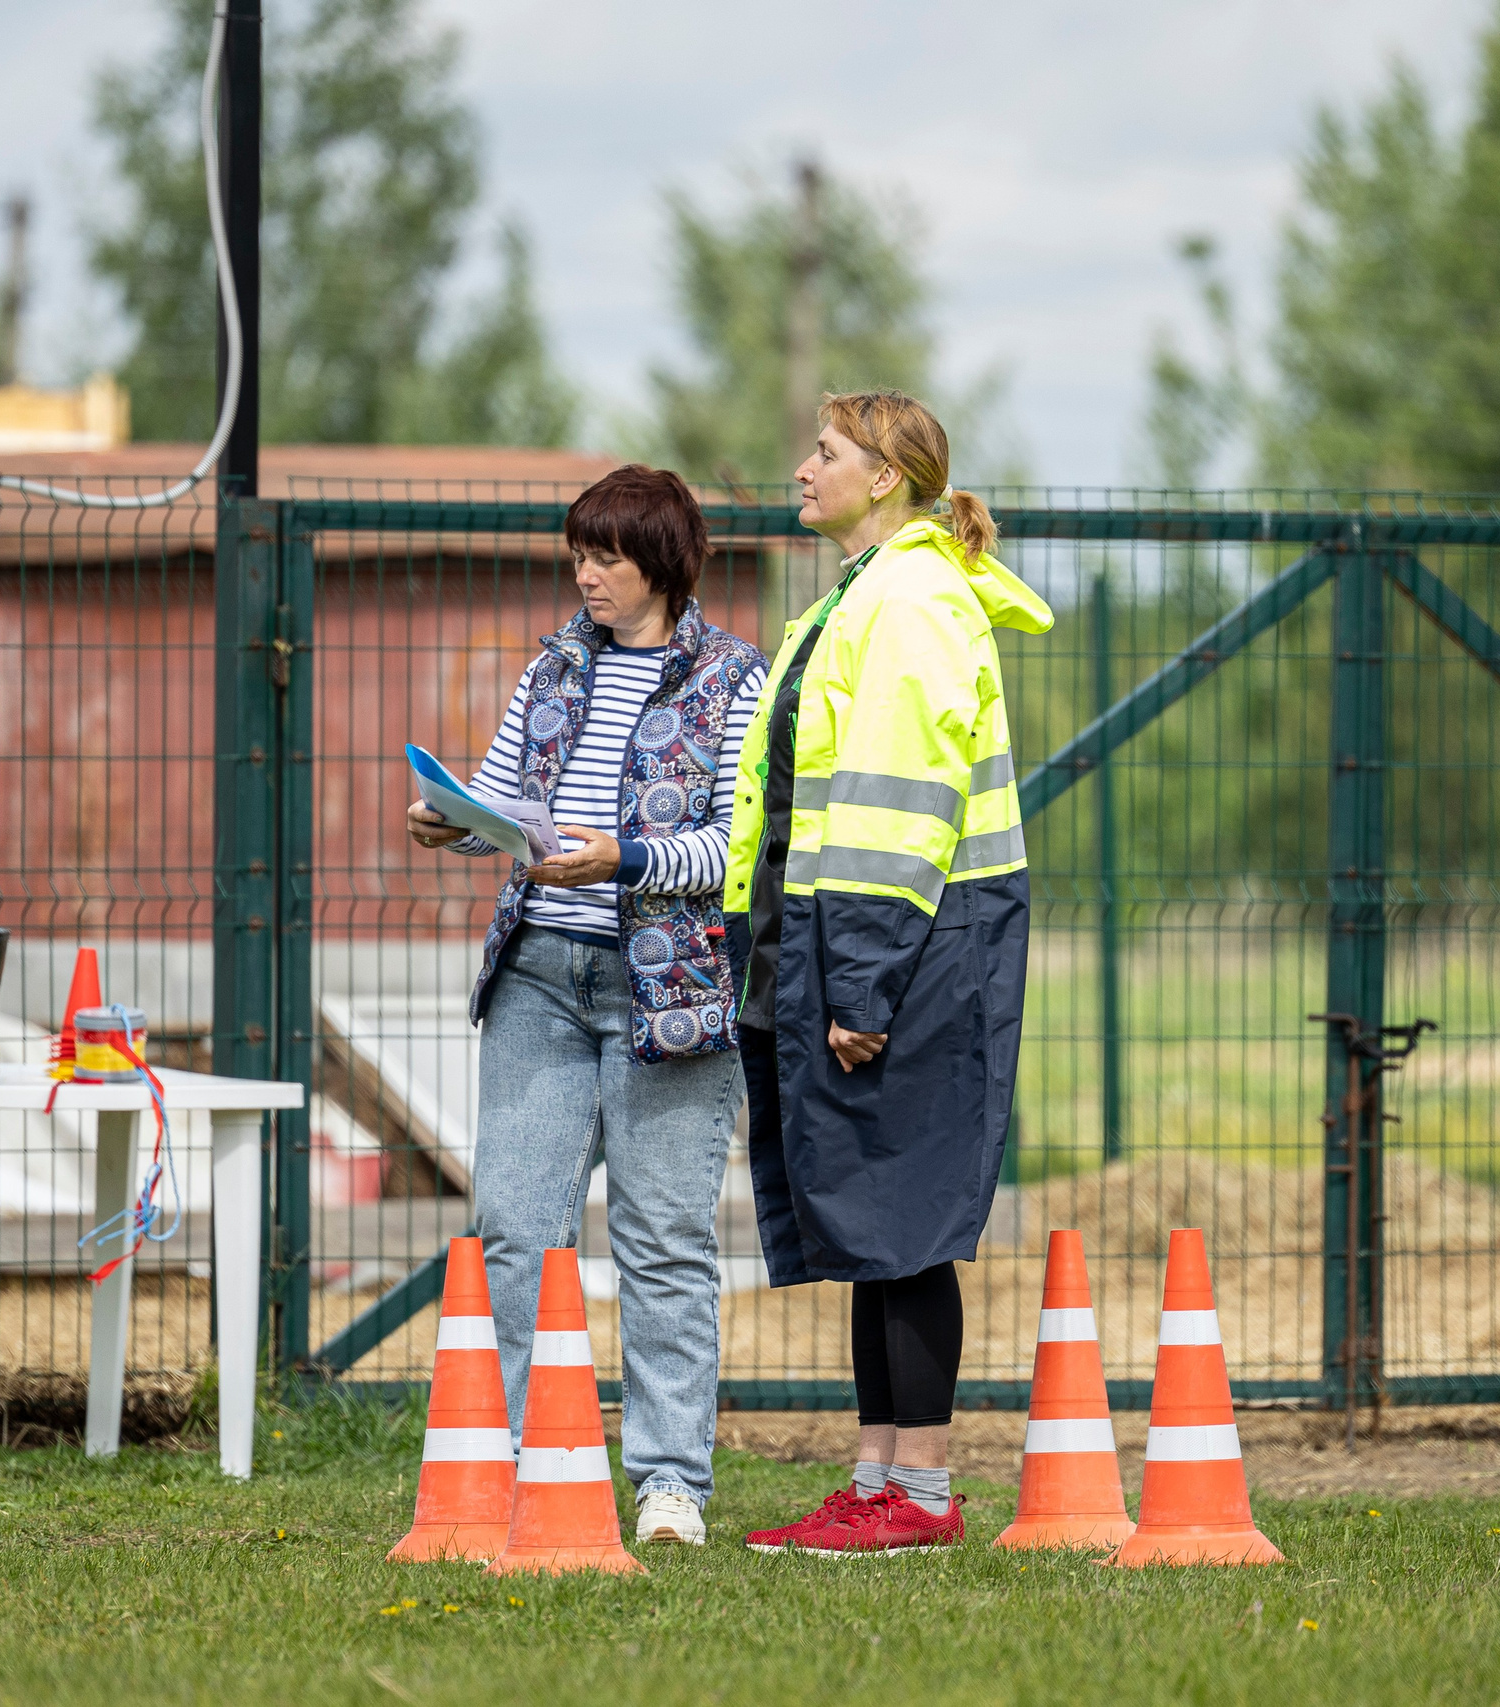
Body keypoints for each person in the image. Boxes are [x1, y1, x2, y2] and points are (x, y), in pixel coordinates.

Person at [407, 464, 765, 1547]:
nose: (587, 575)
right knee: (514, 1229)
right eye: (579, 554)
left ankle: (668, 1486)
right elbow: (509, 796)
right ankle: (511, 1464)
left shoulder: (731, 679)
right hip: (538, 982)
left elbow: (733, 846)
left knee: (663, 1244)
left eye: (605, 555)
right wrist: (456, 822)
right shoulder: (553, 666)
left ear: (662, 559)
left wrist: (628, 859)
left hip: (669, 998)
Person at [727, 391, 1050, 1556]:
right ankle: (878, 1480)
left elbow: (899, 811)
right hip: (863, 944)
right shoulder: (872, 593)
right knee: (874, 1225)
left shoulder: (906, 602)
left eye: (822, 452)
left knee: (903, 1229)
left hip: (902, 950)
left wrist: (859, 987)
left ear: (883, 477)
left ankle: (915, 1495)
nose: (801, 468)